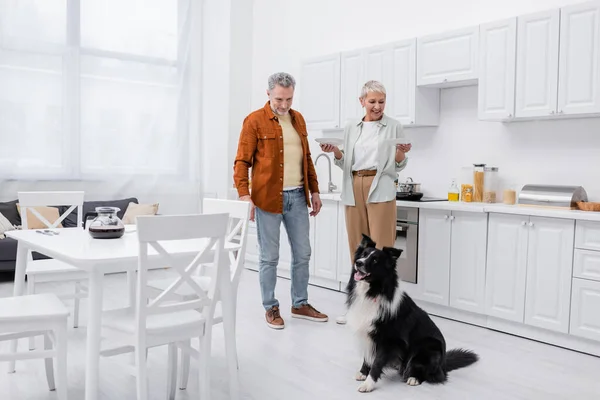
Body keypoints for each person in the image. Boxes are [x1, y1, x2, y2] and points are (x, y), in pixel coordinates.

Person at [233, 72, 328, 330]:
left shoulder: (298, 120)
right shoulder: (254, 121)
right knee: (269, 257)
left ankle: (300, 303)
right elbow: (242, 162)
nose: (284, 105)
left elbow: (306, 158)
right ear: (268, 94)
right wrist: (245, 195)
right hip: (267, 199)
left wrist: (315, 191)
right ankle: (270, 306)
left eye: (288, 99)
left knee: (303, 253)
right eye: (279, 99)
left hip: (298, 196)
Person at [320, 80, 411, 324]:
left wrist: (402, 151)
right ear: (362, 102)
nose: (377, 106)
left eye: (381, 102)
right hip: (353, 186)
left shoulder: (394, 126)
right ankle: (356, 309)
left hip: (380, 186)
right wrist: (335, 152)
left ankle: (382, 312)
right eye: (372, 101)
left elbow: (400, 163)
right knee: (358, 252)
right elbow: (344, 162)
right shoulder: (352, 127)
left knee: (381, 252)